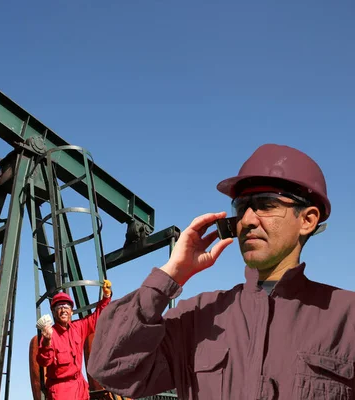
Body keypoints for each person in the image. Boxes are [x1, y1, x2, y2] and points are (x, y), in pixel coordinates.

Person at [87, 144, 355, 399]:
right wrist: (170, 275)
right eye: (241, 209)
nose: (247, 220)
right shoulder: (198, 317)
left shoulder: (347, 318)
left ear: (307, 220)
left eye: (266, 205)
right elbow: (111, 368)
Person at [36, 280, 112, 400]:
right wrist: (46, 342)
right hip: (61, 390)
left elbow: (97, 318)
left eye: (66, 307)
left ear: (71, 311)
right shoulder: (50, 335)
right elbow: (44, 362)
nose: (63, 310)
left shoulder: (78, 327)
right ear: (54, 313)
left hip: (79, 387)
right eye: (59, 307)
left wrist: (106, 296)